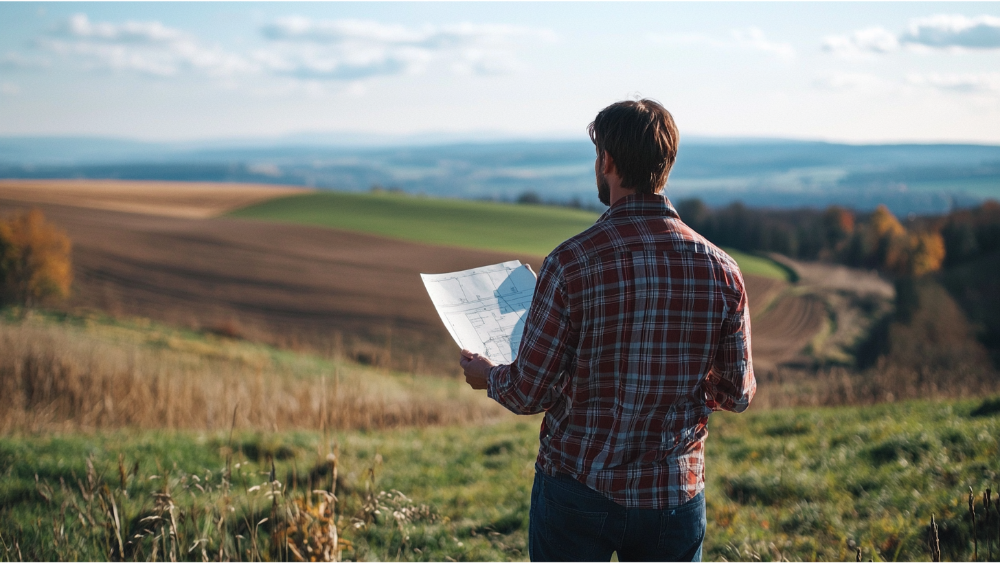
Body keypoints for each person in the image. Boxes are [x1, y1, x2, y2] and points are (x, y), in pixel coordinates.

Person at [460, 99, 755, 563]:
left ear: (608, 162)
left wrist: (487, 374)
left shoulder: (571, 262)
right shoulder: (722, 270)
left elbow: (528, 392)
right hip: (674, 493)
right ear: (666, 165)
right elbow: (738, 394)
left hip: (578, 489)